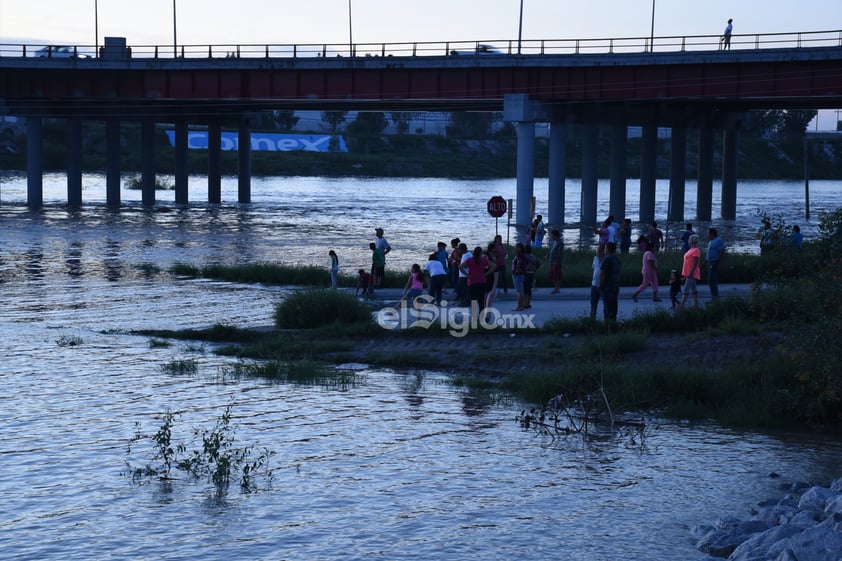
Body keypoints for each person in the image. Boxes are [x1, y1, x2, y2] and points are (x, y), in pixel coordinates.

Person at [459, 245, 496, 318]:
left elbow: (460, 267)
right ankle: (481, 316)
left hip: (472, 282)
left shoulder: (470, 260)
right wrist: (486, 274)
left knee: (473, 301)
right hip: (482, 282)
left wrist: (467, 275)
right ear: (480, 253)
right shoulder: (483, 260)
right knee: (481, 301)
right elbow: (494, 266)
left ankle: (474, 317)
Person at [631, 236, 661, 302]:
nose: (655, 249)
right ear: (651, 248)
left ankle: (655, 297)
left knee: (655, 283)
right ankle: (635, 295)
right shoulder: (649, 253)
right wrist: (655, 268)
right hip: (648, 271)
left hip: (652, 271)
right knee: (645, 283)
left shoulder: (650, 253)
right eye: (654, 247)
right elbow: (650, 262)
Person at [598, 242, 621, 322]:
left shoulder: (607, 259)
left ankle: (608, 325)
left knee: (607, 307)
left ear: (608, 249)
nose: (604, 250)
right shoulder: (617, 259)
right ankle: (613, 323)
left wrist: (600, 286)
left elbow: (602, 273)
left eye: (605, 248)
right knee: (614, 306)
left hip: (607, 286)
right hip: (615, 286)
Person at [679, 234, 701, 309]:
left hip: (691, 273)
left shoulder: (696, 250)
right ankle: (696, 304)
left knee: (686, 288)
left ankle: (681, 305)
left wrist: (691, 272)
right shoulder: (691, 249)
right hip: (688, 272)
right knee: (693, 288)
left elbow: (695, 262)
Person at [706, 228, 726, 299]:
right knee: (710, 280)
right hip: (710, 262)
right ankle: (714, 297)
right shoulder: (711, 242)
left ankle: (715, 298)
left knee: (712, 280)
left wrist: (720, 264)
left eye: (708, 233)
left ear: (712, 234)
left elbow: (722, 252)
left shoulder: (718, 241)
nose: (707, 235)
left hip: (715, 262)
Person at [523, 244, 542, 309]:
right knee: (529, 289)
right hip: (532, 274)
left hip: (526, 274)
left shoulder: (524, 257)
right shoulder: (533, 257)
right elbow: (539, 264)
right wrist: (535, 269)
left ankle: (525, 303)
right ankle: (528, 303)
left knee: (525, 289)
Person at [589, 245, 605, 319]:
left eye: (599, 251)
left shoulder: (606, 259)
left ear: (603, 252)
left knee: (606, 303)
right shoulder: (595, 258)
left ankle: (607, 320)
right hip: (594, 284)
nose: (597, 252)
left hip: (602, 285)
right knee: (593, 303)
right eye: (597, 251)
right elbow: (594, 269)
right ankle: (592, 319)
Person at [511, 242, 527, 311]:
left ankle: (519, 306)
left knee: (519, 291)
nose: (515, 248)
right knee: (521, 290)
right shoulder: (522, 255)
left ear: (520, 248)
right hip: (521, 274)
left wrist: (516, 270)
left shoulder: (519, 256)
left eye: (517, 247)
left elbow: (519, 262)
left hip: (517, 275)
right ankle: (522, 305)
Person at [548, 228, 564, 294]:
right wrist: (548, 254)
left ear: (556, 236)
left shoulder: (560, 243)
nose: (551, 237)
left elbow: (559, 252)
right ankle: (556, 288)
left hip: (556, 262)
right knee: (552, 275)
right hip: (552, 261)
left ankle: (557, 289)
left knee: (556, 276)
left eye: (552, 236)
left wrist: (557, 261)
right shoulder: (555, 242)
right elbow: (553, 249)